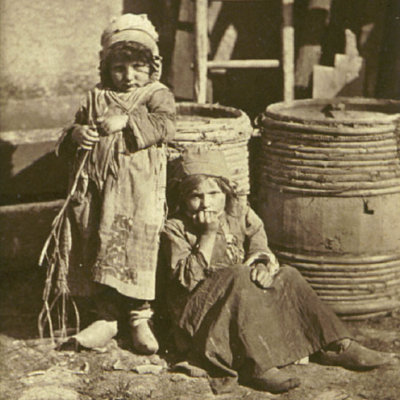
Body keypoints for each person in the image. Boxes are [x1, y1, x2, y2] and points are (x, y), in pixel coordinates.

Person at [160, 147, 394, 393]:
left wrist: (261, 263)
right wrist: (207, 235)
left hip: (241, 303)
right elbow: (187, 280)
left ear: (226, 193)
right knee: (238, 274)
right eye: (195, 196)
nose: (206, 203)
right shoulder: (175, 229)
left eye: (213, 193)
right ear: (182, 198)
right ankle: (256, 366)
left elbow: (258, 241)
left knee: (288, 276)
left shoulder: (238, 214)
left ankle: (335, 345)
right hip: (201, 316)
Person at [56, 13, 175, 354]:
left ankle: (138, 317)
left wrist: (127, 120)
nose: (128, 76)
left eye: (138, 67)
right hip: (98, 191)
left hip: (138, 192)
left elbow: (167, 125)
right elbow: (71, 128)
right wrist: (77, 134)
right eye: (119, 68)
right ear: (106, 68)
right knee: (99, 244)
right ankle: (106, 317)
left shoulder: (156, 94)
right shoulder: (96, 96)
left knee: (136, 247)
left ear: (152, 67)